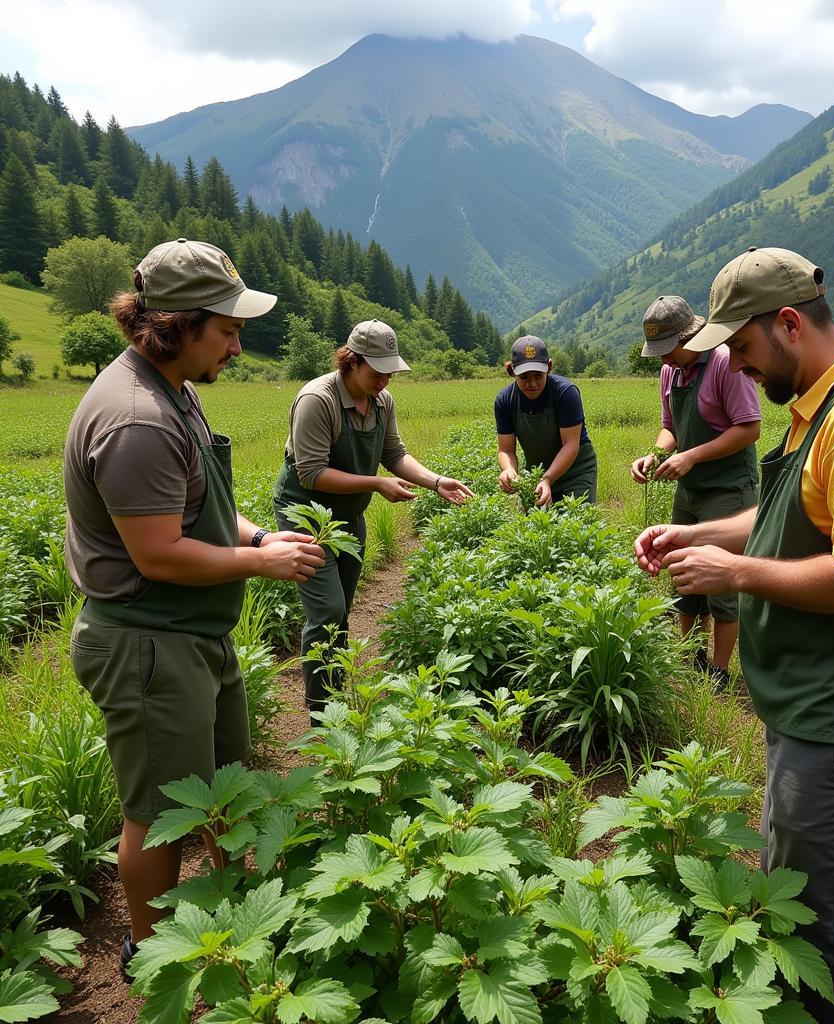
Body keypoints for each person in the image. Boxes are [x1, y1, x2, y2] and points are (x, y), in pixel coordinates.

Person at [634, 247, 834, 1024]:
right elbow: (787, 520)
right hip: (819, 708)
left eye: (741, 348)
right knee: (796, 901)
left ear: (788, 324)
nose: (738, 366)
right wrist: (702, 537)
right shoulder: (826, 405)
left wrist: (731, 576)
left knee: (820, 926)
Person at [63, 239, 325, 974]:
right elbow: (158, 553)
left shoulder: (175, 389)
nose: (238, 344)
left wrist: (261, 534)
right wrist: (260, 562)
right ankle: (154, 955)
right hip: (147, 644)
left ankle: (229, 920)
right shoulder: (136, 418)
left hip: (192, 635)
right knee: (159, 814)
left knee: (223, 787)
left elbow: (201, 509)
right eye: (228, 328)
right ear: (175, 324)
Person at [274, 319, 474, 715]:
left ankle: (335, 696)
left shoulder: (382, 402)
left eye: (390, 372)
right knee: (327, 610)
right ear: (351, 361)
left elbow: (394, 454)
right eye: (376, 371)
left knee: (342, 610)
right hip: (306, 514)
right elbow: (311, 473)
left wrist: (436, 482)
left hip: (349, 513)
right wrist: (376, 484)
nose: (384, 379)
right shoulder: (319, 399)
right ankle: (320, 713)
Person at [630, 295, 760, 687]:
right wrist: (656, 454)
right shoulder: (670, 373)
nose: (664, 359)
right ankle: (690, 660)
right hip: (689, 489)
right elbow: (669, 426)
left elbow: (748, 428)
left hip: (728, 489)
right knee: (682, 571)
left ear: (691, 336)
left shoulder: (724, 364)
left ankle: (718, 671)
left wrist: (691, 457)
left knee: (722, 583)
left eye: (669, 350)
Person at [494, 335, 598, 506]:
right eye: (524, 377)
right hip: (537, 472)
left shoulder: (565, 392)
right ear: (512, 371)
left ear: (549, 367)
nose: (532, 383)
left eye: (538, 375)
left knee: (576, 524)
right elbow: (506, 449)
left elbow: (571, 445)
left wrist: (548, 479)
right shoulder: (505, 400)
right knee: (536, 527)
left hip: (576, 471)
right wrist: (509, 470)